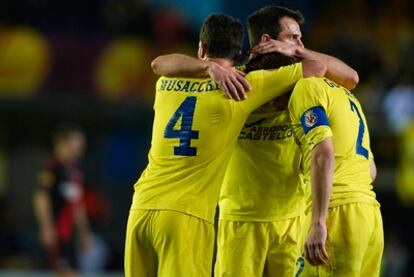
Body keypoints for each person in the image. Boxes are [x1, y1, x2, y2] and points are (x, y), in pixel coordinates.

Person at [151, 5, 359, 276]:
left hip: (290, 222)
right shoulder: (234, 79)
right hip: (240, 220)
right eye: (293, 37)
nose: (300, 44)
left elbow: (351, 77)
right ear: (266, 41)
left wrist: (296, 51)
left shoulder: (302, 84)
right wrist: (210, 67)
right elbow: (161, 64)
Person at [288, 77, 383, 276]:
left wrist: (318, 222)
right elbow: (371, 170)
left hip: (336, 214)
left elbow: (324, 153)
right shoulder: (347, 96)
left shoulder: (306, 87)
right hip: (370, 215)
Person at [33, 123, 92, 277]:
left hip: (70, 235)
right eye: (77, 141)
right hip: (56, 233)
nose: (81, 146)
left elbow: (77, 205)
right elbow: (41, 197)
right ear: (64, 143)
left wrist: (84, 233)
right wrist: (46, 227)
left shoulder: (76, 171)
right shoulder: (52, 168)